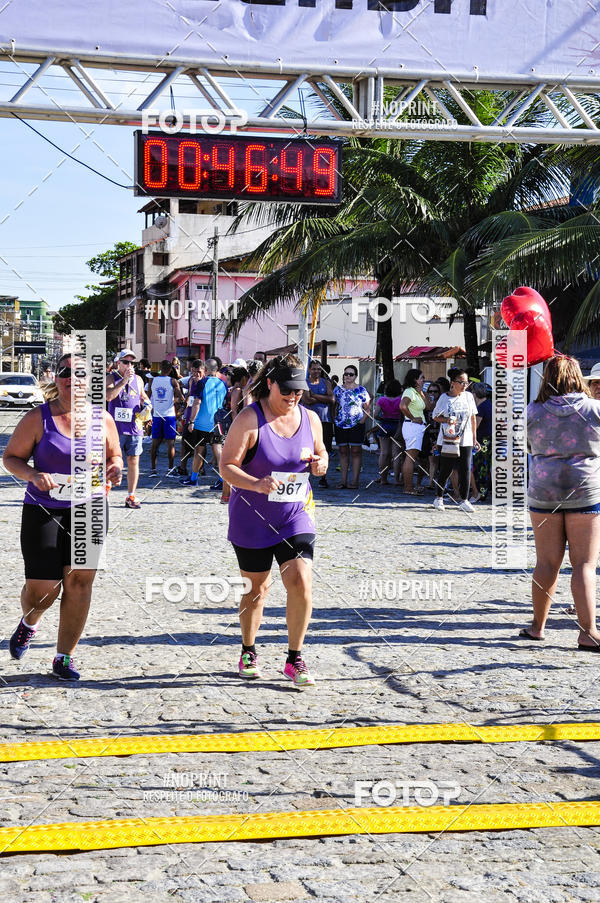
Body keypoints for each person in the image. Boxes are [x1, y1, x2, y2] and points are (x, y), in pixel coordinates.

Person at [2, 353, 122, 680]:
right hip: (44, 508)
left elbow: (115, 456)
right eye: (67, 372)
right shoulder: (37, 419)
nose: (73, 379)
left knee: (80, 582)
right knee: (44, 589)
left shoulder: (103, 420)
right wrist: (32, 475)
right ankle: (30, 622)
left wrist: (115, 468)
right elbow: (10, 458)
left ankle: (63, 658)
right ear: (57, 378)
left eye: (81, 374)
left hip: (90, 508)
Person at [220, 355, 327, 688]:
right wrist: (256, 484)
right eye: (287, 390)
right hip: (251, 516)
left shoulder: (310, 419)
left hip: (295, 513)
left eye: (298, 391)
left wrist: (321, 463)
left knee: (300, 580)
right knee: (256, 590)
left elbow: (321, 452)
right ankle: (248, 650)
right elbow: (227, 466)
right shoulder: (249, 420)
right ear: (270, 383)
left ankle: (295, 658)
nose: (293, 397)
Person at [522, 355, 600, 650]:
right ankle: (588, 631)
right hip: (586, 490)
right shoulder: (594, 409)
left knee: (546, 562)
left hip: (544, 490)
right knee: (584, 564)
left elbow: (527, 446)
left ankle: (537, 626)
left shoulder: (533, 411)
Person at [106, 350, 151, 509]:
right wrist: (124, 381)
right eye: (125, 362)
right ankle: (104, 494)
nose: (129, 365)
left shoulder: (138, 379)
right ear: (118, 363)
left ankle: (131, 495)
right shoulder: (111, 377)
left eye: (132, 363)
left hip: (134, 425)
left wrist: (147, 405)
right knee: (110, 462)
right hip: (115, 428)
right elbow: (109, 396)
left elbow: (143, 396)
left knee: (133, 461)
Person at [432, 368, 479, 512]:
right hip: (448, 439)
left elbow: (473, 418)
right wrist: (447, 420)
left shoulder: (469, 397)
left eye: (466, 382)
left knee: (465, 469)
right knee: (446, 469)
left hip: (465, 438)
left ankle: (464, 500)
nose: (465, 385)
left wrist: (474, 438)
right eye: (462, 382)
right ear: (453, 383)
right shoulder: (444, 398)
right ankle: (439, 497)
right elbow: (435, 416)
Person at [185, 358, 227, 490]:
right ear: (217, 370)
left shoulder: (202, 383)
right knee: (218, 451)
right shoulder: (223, 384)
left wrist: (191, 420)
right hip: (217, 422)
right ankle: (222, 480)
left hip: (202, 423)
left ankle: (194, 479)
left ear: (206, 369)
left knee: (199, 451)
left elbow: (197, 403)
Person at [332, 364, 370, 489]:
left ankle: (354, 481)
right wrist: (334, 418)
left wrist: (362, 421)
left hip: (356, 424)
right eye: (346, 373)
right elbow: (334, 405)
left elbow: (367, 409)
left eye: (351, 374)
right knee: (343, 451)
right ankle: (343, 481)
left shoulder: (361, 390)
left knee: (356, 451)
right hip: (341, 424)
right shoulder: (337, 390)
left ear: (355, 376)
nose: (348, 376)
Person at [302, 359, 334, 488]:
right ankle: (305, 476)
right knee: (306, 449)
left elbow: (331, 399)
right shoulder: (304, 383)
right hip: (308, 421)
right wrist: (322, 398)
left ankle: (323, 477)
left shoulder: (326, 382)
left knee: (323, 449)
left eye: (319, 369)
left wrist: (315, 395)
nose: (317, 371)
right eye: (314, 369)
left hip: (325, 420)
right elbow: (307, 400)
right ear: (309, 370)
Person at [400, 369, 432, 495]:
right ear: (415, 380)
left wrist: (422, 393)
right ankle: (408, 488)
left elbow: (428, 407)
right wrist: (413, 417)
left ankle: (409, 486)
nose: (423, 380)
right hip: (412, 426)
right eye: (421, 378)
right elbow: (402, 406)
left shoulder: (417, 393)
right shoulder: (409, 391)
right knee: (410, 457)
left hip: (416, 427)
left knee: (411, 456)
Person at [149, 359, 183, 477]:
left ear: (160, 368)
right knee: (171, 444)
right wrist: (175, 400)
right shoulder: (173, 381)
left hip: (157, 415)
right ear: (170, 370)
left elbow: (148, 397)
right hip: (169, 416)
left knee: (154, 444)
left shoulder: (152, 380)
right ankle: (170, 469)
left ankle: (153, 470)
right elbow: (181, 397)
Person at [373, 379, 403, 485]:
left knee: (384, 453)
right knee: (396, 454)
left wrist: (383, 419)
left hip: (385, 425)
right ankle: (396, 480)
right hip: (397, 426)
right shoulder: (400, 400)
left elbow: (376, 415)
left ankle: (383, 479)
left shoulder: (381, 400)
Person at [178, 359, 205, 476]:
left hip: (201, 416)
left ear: (204, 371)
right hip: (189, 414)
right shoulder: (190, 380)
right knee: (184, 442)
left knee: (200, 445)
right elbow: (189, 394)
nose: (196, 374)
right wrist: (183, 407)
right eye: (193, 371)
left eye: (198, 371)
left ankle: (201, 468)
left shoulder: (205, 382)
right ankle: (182, 468)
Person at [470, 383, 492, 503]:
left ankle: (481, 492)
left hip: (483, 440)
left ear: (475, 394)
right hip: (488, 439)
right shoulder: (488, 404)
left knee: (481, 466)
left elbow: (475, 426)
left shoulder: (481, 407)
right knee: (484, 466)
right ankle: (482, 491)